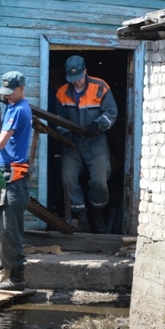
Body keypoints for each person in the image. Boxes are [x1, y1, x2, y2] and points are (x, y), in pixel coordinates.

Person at [55, 55, 118, 233]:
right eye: (71, 79)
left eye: (78, 78)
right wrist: (67, 135)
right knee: (68, 180)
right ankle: (81, 217)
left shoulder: (101, 88)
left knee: (100, 181)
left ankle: (97, 213)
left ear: (85, 71)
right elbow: (59, 121)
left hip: (95, 141)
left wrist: (97, 125)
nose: (75, 82)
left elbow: (112, 113)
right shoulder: (61, 93)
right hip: (72, 143)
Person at [0, 71, 32, 291]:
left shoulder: (19, 110)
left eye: (10, 93)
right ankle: (4, 257)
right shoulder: (11, 106)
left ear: (21, 88)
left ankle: (17, 277)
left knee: (9, 230)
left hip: (14, 178)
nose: (7, 97)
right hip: (4, 175)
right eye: (4, 93)